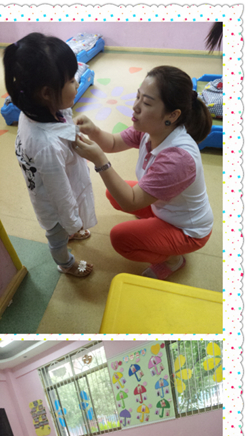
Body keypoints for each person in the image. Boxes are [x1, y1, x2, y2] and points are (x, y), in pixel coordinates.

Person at [74, 65, 214, 280]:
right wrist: (93, 130)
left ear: (172, 115)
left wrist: (100, 161)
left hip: (188, 231)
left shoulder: (177, 158)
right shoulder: (151, 129)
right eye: (138, 96)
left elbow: (130, 202)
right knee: (114, 194)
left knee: (121, 238)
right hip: (166, 207)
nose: (135, 106)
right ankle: (155, 230)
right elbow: (113, 142)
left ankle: (173, 260)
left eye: (147, 103)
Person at [3, 33, 95, 279]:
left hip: (56, 183)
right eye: (71, 80)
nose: (77, 82)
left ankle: (70, 230)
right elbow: (60, 195)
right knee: (57, 237)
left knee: (67, 222)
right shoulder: (46, 146)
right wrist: (72, 222)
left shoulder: (35, 109)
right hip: (54, 208)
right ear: (46, 93)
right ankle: (66, 263)